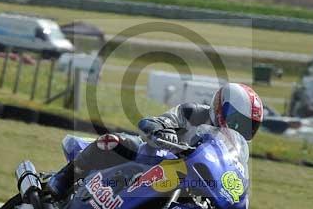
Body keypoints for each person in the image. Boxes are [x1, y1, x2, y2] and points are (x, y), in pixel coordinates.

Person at [44, 82, 263, 200]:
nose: (238, 129)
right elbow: (156, 121)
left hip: (187, 179)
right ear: (220, 107)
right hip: (155, 158)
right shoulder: (192, 113)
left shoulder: (233, 148)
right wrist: (160, 130)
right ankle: (63, 178)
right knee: (111, 142)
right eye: (237, 121)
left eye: (248, 127)